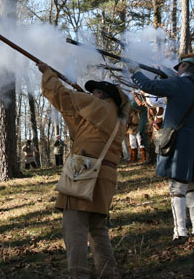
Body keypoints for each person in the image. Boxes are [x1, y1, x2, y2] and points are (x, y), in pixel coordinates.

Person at [38, 61, 129, 279]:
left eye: (95, 91)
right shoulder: (116, 118)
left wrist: (48, 73)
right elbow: (75, 121)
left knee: (74, 225)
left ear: (102, 94)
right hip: (106, 175)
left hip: (83, 168)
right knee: (97, 227)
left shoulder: (98, 107)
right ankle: (109, 274)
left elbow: (62, 97)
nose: (91, 94)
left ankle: (78, 274)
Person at [128, 53, 194, 243]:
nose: (177, 70)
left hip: (181, 140)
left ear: (185, 67)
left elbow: (149, 86)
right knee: (193, 186)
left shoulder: (179, 83)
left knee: (177, 188)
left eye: (179, 67)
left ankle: (180, 231)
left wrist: (135, 71)